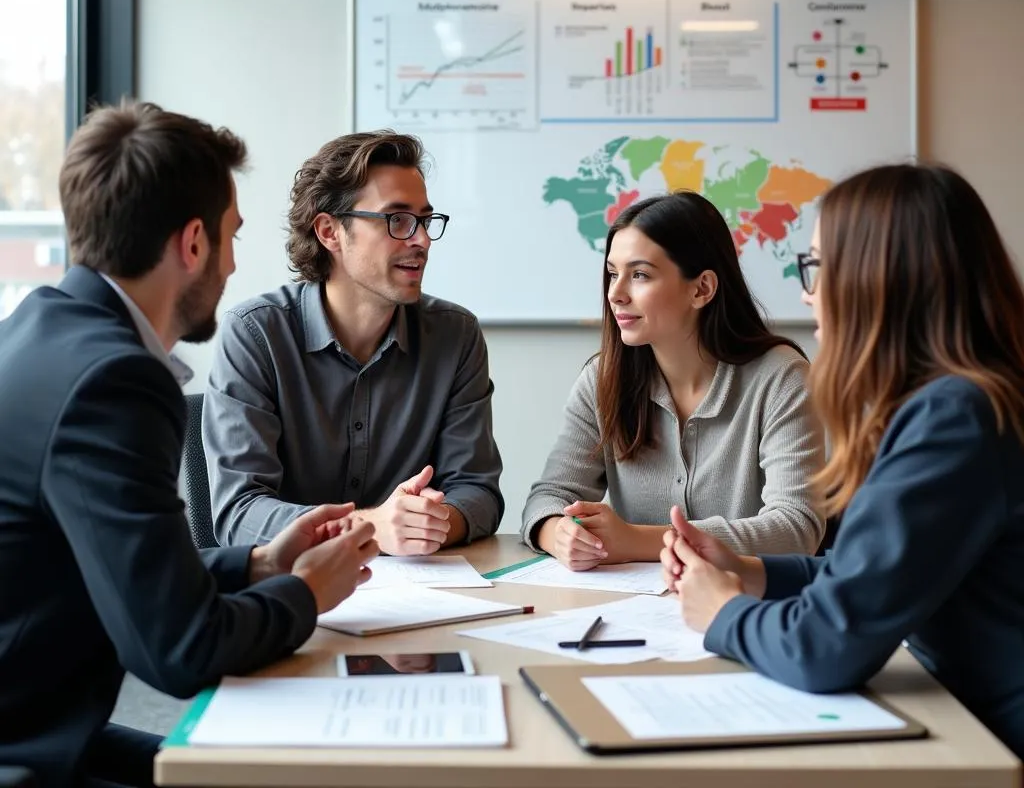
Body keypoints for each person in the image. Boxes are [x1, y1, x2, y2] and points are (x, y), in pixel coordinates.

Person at [0, 102, 379, 788]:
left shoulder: (37, 329)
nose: (236, 264)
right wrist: (306, 593)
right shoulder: (113, 381)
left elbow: (128, 565)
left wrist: (260, 563)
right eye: (232, 237)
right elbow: (181, 647)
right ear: (194, 243)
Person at [661, 164, 1024, 759]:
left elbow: (826, 646)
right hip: (960, 717)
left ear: (878, 279)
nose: (808, 291)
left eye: (818, 266)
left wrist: (722, 612)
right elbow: (865, 577)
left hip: (987, 741)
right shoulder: (956, 400)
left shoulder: (956, 418)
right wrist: (750, 571)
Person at [203, 129, 503, 556]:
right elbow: (239, 513)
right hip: (293, 593)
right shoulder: (255, 335)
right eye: (397, 220)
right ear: (329, 231)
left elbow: (477, 491)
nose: (420, 240)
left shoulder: (456, 336)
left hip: (423, 594)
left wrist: (431, 522)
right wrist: (370, 526)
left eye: (424, 220)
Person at [521, 191, 825, 570]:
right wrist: (559, 533)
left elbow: (797, 529)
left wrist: (638, 540)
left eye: (640, 275)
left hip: (743, 608)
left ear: (702, 289)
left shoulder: (782, 378)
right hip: (635, 609)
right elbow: (549, 496)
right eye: (613, 274)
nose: (615, 294)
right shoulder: (601, 379)